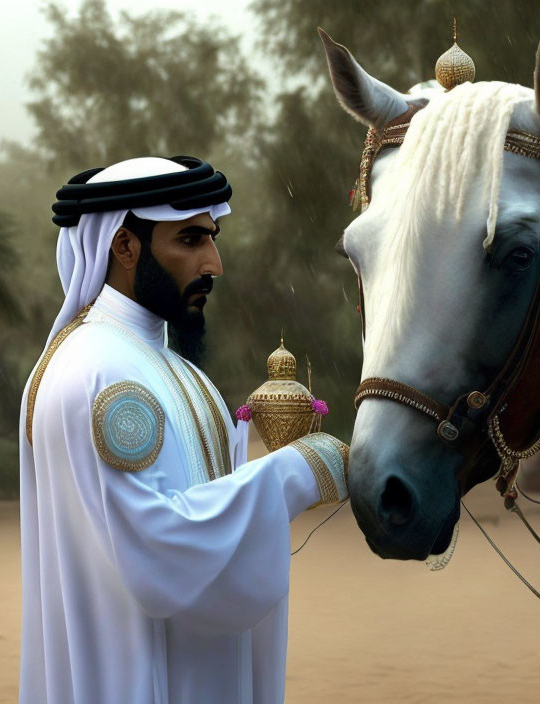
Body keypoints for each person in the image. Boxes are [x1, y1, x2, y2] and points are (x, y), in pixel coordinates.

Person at [18, 156, 348, 704]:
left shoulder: (165, 365)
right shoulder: (104, 373)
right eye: (191, 240)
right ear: (124, 247)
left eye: (212, 239)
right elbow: (159, 546)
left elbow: (197, 500)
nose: (214, 263)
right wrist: (299, 471)